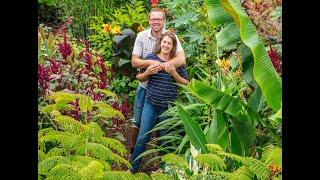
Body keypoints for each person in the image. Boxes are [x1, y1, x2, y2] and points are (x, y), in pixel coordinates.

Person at [130, 32, 189, 173]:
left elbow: (186, 83)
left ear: (173, 47)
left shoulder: (176, 63)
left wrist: (174, 74)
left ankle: (164, 170)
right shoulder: (151, 58)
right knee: (143, 138)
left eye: (169, 43)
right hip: (150, 104)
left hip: (167, 107)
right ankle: (133, 169)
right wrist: (148, 72)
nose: (166, 45)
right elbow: (140, 77)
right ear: (160, 43)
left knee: (164, 141)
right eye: (164, 42)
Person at [131, 7, 186, 130]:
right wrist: (151, 62)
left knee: (162, 126)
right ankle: (135, 148)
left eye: (159, 19)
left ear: (164, 21)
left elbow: (181, 60)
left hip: (163, 89)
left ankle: (158, 148)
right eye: (153, 19)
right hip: (145, 85)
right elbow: (134, 62)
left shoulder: (171, 37)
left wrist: (161, 66)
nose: (156, 22)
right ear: (149, 21)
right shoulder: (141, 36)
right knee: (137, 121)